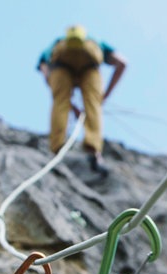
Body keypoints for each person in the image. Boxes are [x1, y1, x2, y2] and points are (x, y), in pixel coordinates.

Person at [37, 24, 126, 176]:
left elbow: (44, 67)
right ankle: (93, 150)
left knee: (60, 102)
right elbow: (122, 63)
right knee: (93, 106)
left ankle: (57, 147)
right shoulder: (96, 42)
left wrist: (65, 100)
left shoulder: (59, 42)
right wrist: (103, 97)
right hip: (90, 61)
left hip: (60, 63)